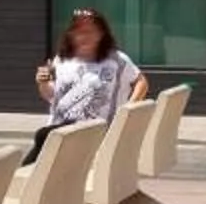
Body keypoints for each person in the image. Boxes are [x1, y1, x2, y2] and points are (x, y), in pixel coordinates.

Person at [30, 9, 151, 164]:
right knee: (44, 139)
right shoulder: (61, 59)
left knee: (43, 140)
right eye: (79, 32)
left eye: (90, 31)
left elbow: (141, 82)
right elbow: (52, 96)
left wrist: (128, 109)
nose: (84, 37)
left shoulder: (116, 60)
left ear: (101, 34)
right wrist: (43, 83)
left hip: (96, 133)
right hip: (59, 132)